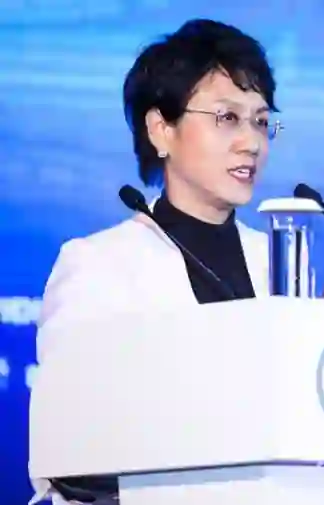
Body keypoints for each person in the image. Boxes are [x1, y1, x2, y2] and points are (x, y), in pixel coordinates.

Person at [29, 18, 281, 504]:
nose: (252, 142)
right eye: (227, 117)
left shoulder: (280, 264)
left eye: (260, 121)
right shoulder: (98, 267)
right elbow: (71, 448)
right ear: (161, 129)